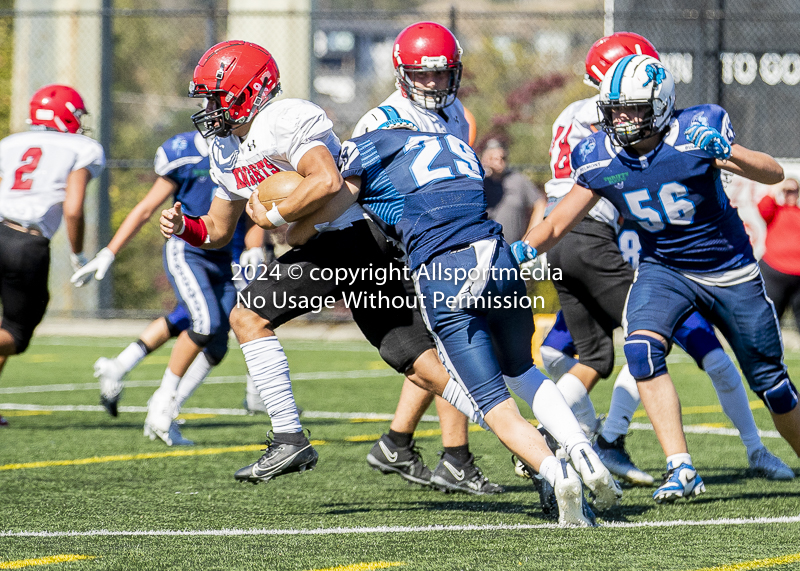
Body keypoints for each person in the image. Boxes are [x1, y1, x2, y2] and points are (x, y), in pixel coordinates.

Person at [161, 40, 503, 497]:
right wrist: (186, 226)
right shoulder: (225, 148)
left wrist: (278, 219)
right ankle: (522, 437)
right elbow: (218, 230)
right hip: (346, 247)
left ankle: (289, 437)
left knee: (247, 317)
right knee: (420, 366)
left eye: (215, 97)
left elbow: (328, 180)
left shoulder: (283, 119)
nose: (208, 108)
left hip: (349, 236)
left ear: (248, 92)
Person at [284, 122, 623, 526]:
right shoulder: (455, 146)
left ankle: (556, 471)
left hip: (445, 271)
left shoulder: (369, 146)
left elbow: (338, 195)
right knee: (524, 371)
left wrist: (288, 224)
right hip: (498, 258)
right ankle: (582, 449)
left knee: (494, 404)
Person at [515, 54, 798, 503]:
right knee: (642, 347)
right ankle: (681, 467)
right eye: (615, 109)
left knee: (772, 385)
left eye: (634, 109)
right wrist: (524, 248)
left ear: (661, 106)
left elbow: (774, 173)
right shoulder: (596, 153)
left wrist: (728, 152)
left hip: (730, 270)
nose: (622, 119)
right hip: (664, 267)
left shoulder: (697, 129)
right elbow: (557, 221)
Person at [351, 21, 501, 494]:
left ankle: (397, 442)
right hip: (395, 243)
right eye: (424, 74)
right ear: (402, 72)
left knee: (438, 346)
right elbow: (359, 193)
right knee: (451, 343)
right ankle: (455, 459)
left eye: (442, 74)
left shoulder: (457, 113)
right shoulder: (380, 121)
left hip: (436, 241)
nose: (435, 83)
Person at [73, 131, 238, 445]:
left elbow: (256, 214)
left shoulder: (251, 148)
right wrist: (109, 252)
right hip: (189, 249)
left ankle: (127, 373)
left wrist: (255, 254)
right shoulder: (185, 151)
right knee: (203, 322)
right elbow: (147, 208)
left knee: (214, 343)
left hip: (227, 254)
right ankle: (163, 404)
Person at [0, 84, 105, 427]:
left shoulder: (11, 143)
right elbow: (73, 209)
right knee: (15, 335)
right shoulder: (83, 147)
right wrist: (78, 253)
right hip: (23, 243)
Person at [481, 138, 546, 243]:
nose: (499, 162)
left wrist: (529, 238)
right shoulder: (480, 183)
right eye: (493, 158)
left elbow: (540, 204)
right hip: (484, 248)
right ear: (484, 159)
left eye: (502, 158)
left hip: (513, 249)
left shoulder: (517, 180)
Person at [758, 177, 800, 332]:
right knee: (770, 319)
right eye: (787, 191)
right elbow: (763, 206)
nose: (790, 194)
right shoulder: (775, 210)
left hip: (798, 276)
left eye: (794, 191)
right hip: (774, 272)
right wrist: (777, 187)